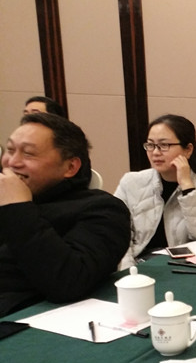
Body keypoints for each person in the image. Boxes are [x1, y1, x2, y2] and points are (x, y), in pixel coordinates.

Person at [0, 113, 130, 317]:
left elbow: (68, 282)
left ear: (70, 167)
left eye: (28, 154)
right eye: (9, 150)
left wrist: (18, 207)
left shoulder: (103, 209)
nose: (12, 162)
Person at [114, 114, 196, 269]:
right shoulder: (131, 182)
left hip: (180, 267)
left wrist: (187, 186)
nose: (155, 152)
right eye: (150, 145)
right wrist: (128, 272)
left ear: (188, 150)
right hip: (136, 266)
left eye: (164, 145)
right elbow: (116, 232)